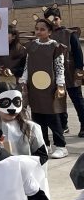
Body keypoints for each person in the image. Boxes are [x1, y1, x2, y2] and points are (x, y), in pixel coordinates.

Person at [21, 17, 67, 158]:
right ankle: (45, 144)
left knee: (53, 116)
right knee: (38, 117)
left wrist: (60, 85)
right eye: (37, 29)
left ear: (49, 32)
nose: (39, 32)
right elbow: (27, 66)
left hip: (50, 88)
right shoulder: (31, 46)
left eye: (42, 29)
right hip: (34, 88)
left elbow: (59, 67)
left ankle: (61, 146)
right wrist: (24, 80)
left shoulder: (56, 47)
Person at [44, 5, 84, 137]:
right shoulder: (46, 35)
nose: (54, 22)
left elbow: (78, 54)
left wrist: (79, 70)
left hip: (70, 72)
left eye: (56, 19)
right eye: (51, 19)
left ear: (60, 19)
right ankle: (63, 125)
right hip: (53, 74)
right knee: (58, 101)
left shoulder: (69, 34)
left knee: (77, 100)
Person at [0, 81, 47, 161]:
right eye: (5, 103)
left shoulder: (31, 127)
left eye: (16, 102)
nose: (12, 109)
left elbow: (42, 156)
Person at [0, 24, 27, 100]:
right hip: (1, 84)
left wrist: (11, 71)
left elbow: (24, 70)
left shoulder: (21, 50)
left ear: (13, 36)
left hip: (16, 84)